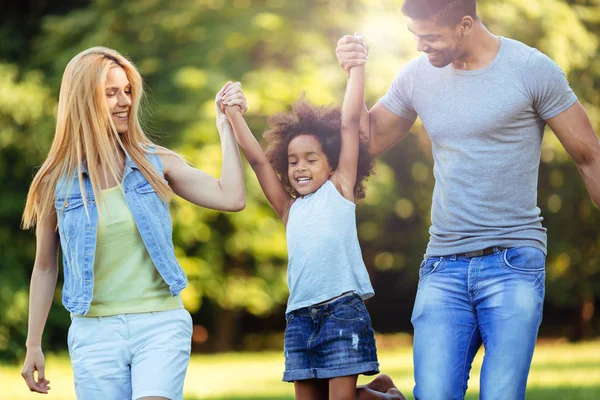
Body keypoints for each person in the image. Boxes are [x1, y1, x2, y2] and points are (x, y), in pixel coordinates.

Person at [335, 1, 600, 399]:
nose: (422, 47)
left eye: (431, 37)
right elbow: (366, 139)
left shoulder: (531, 69)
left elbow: (589, 157)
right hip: (443, 264)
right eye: (416, 37)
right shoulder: (416, 77)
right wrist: (355, 72)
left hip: (514, 262)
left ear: (465, 24)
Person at [20, 46, 247, 399]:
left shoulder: (156, 163)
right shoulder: (56, 182)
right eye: (110, 93)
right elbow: (46, 268)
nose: (124, 101)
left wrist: (226, 127)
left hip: (159, 323)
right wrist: (33, 343)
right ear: (84, 101)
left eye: (127, 91)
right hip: (94, 332)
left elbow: (231, 198)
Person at [220, 44, 404, 399]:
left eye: (310, 159)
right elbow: (258, 161)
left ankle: (387, 398)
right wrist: (233, 115)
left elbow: (350, 124)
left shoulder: (340, 187)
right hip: (300, 317)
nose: (300, 167)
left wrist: (356, 70)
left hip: (341, 313)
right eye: (292, 161)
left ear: (331, 163)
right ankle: (379, 391)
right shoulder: (289, 209)